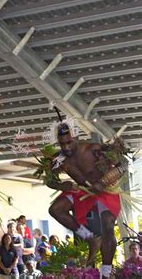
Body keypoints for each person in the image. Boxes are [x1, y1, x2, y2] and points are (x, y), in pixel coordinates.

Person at [43, 119, 126, 278]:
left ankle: (106, 272)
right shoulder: (59, 158)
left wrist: (102, 183)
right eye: (62, 144)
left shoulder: (93, 149)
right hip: (81, 191)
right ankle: (89, 237)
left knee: (107, 227)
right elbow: (48, 180)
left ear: (75, 138)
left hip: (106, 190)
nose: (66, 147)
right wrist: (60, 186)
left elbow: (122, 165)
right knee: (55, 210)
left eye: (68, 142)